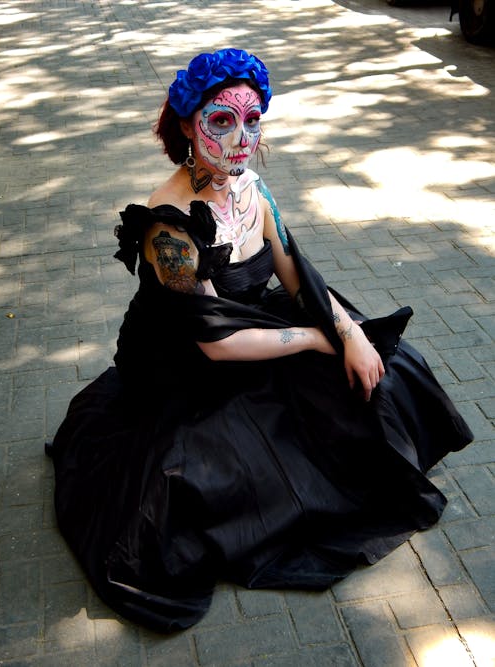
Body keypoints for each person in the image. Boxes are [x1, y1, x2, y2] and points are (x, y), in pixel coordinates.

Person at [47, 48, 473, 633]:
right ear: (187, 125)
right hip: (187, 357)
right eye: (221, 120)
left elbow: (293, 268)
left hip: (257, 322)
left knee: (386, 368)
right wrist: (316, 341)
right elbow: (215, 346)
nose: (242, 137)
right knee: (212, 469)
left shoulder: (251, 186)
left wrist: (344, 331)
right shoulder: (169, 225)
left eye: (253, 120)